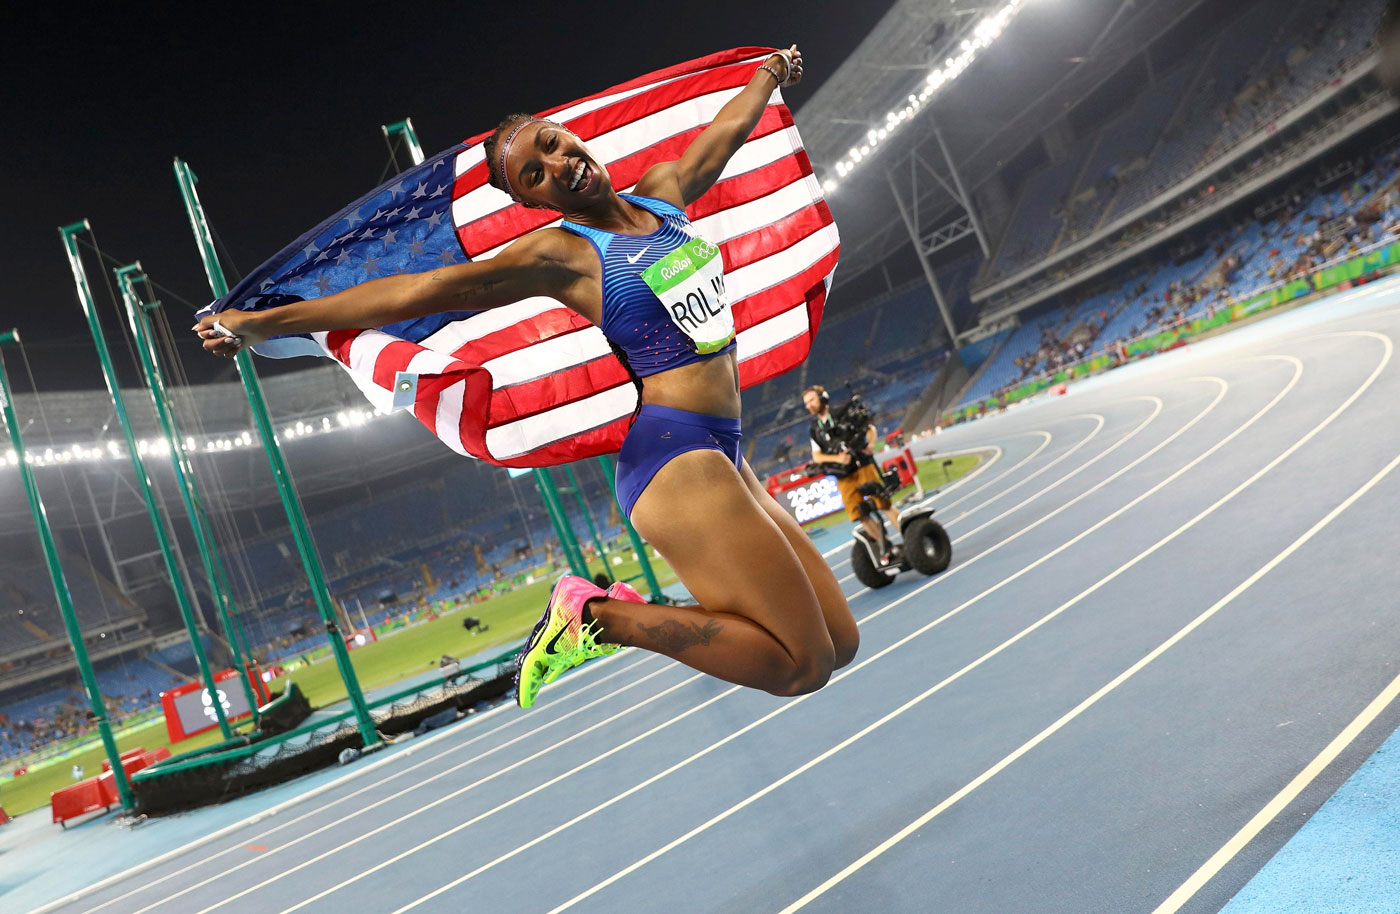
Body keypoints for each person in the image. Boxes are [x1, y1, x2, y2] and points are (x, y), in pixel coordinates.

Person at [196, 45, 857, 710]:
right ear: (529, 200)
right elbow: (413, 292)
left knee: (839, 640)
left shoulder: (663, 196)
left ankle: (605, 613)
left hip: (723, 448)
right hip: (674, 455)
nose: (557, 166)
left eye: (552, 144)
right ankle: (597, 616)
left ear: (571, 133)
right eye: (534, 175)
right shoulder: (560, 255)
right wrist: (266, 324)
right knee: (801, 666)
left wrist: (769, 73)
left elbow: (719, 140)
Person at [802, 385, 902, 559]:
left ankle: (908, 537)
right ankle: (886, 549)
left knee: (882, 503)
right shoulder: (814, 428)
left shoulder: (843, 412)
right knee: (859, 514)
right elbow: (817, 456)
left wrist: (871, 445)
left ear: (823, 398)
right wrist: (838, 459)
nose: (808, 405)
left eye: (811, 400)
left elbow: (869, 428)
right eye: (806, 403)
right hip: (843, 476)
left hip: (863, 465)